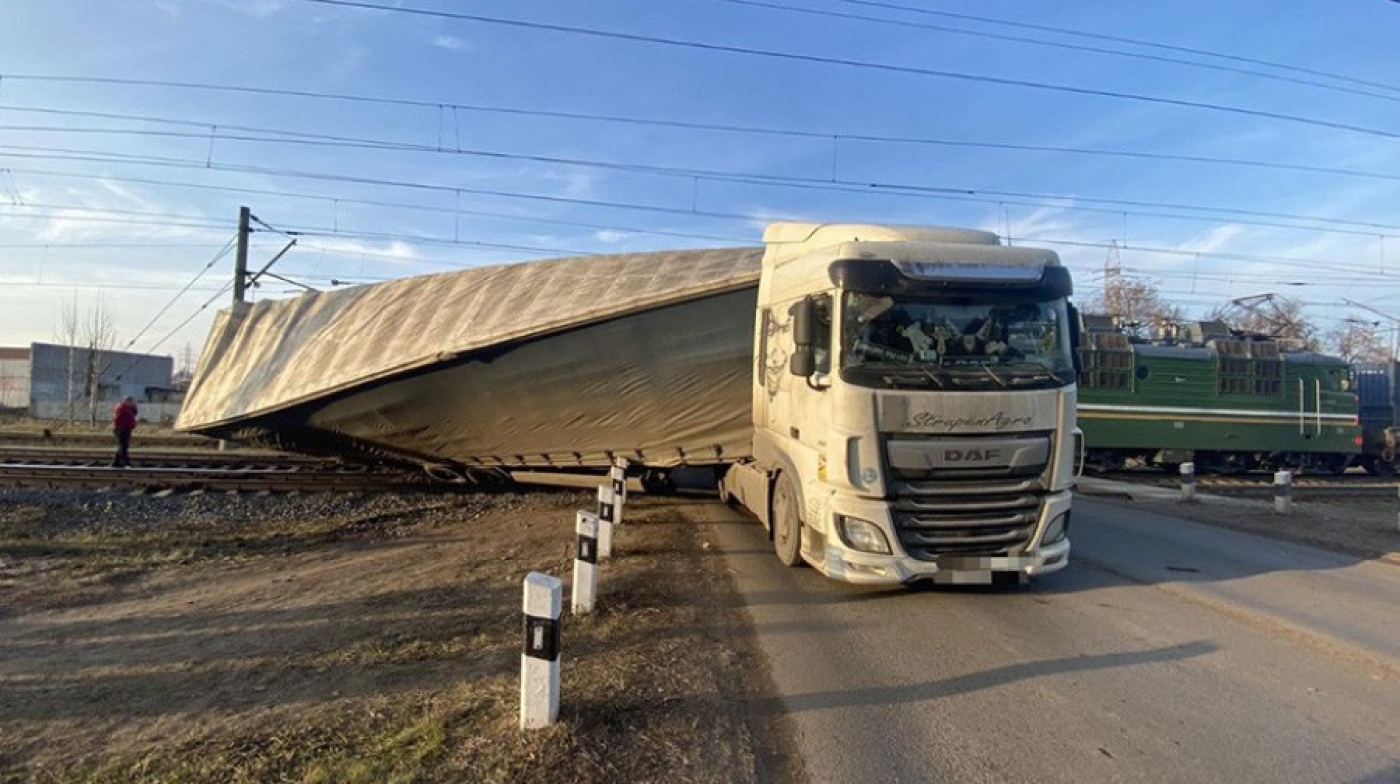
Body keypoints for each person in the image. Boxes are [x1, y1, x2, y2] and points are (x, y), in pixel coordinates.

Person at [111, 396, 138, 468]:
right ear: (126, 401)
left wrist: (134, 408)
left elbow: (134, 413)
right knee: (123, 446)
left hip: (126, 429)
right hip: (121, 429)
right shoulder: (121, 408)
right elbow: (118, 419)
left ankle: (116, 462)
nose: (132, 403)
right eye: (130, 401)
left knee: (122, 446)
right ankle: (126, 462)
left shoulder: (127, 408)